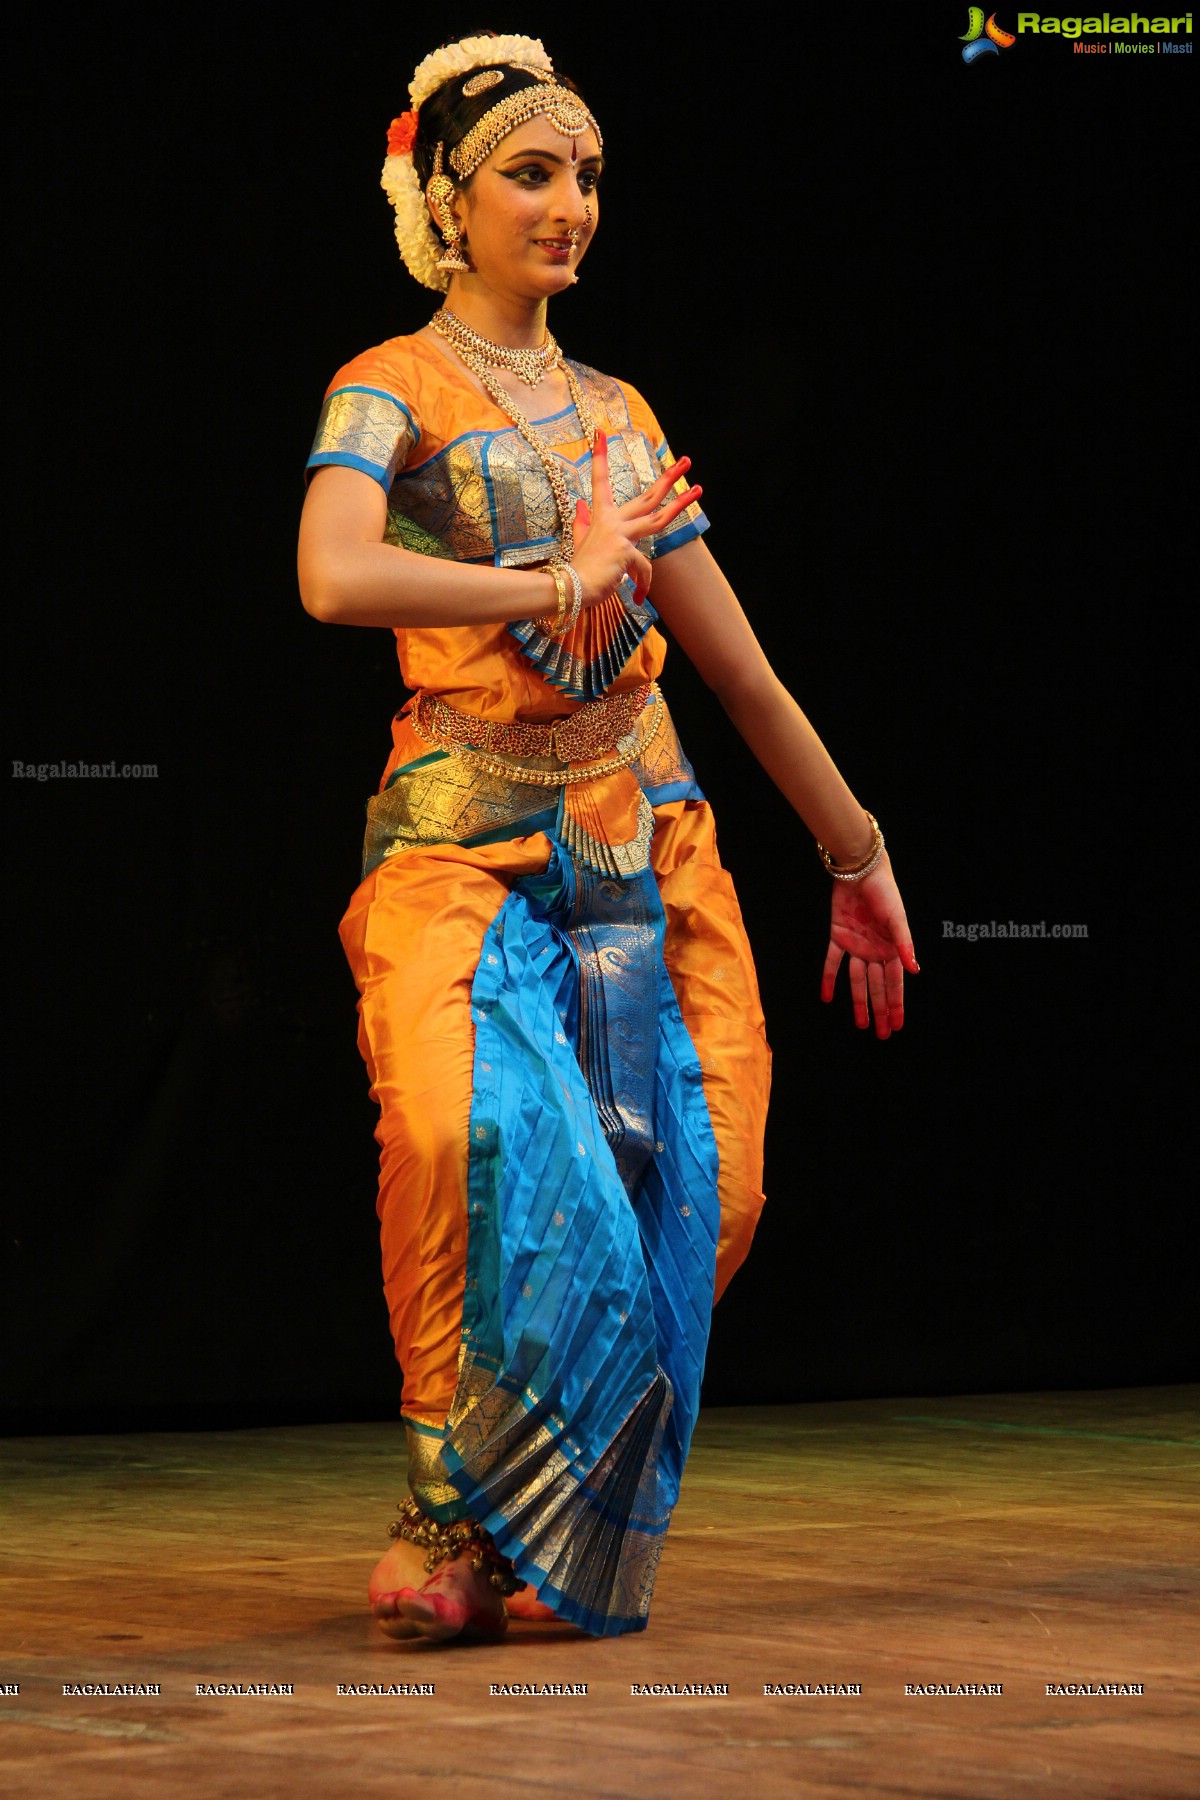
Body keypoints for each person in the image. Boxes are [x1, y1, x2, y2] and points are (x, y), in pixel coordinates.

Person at [297, 32, 918, 1644]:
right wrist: (552, 580)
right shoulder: (392, 388)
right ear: (445, 196)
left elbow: (743, 670)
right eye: (529, 171)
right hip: (464, 853)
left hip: (647, 856)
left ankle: (523, 1518)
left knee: (703, 1196)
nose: (570, 204)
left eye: (584, 175)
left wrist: (857, 858)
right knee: (463, 1143)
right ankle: (452, 1510)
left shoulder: (625, 420)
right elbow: (334, 572)